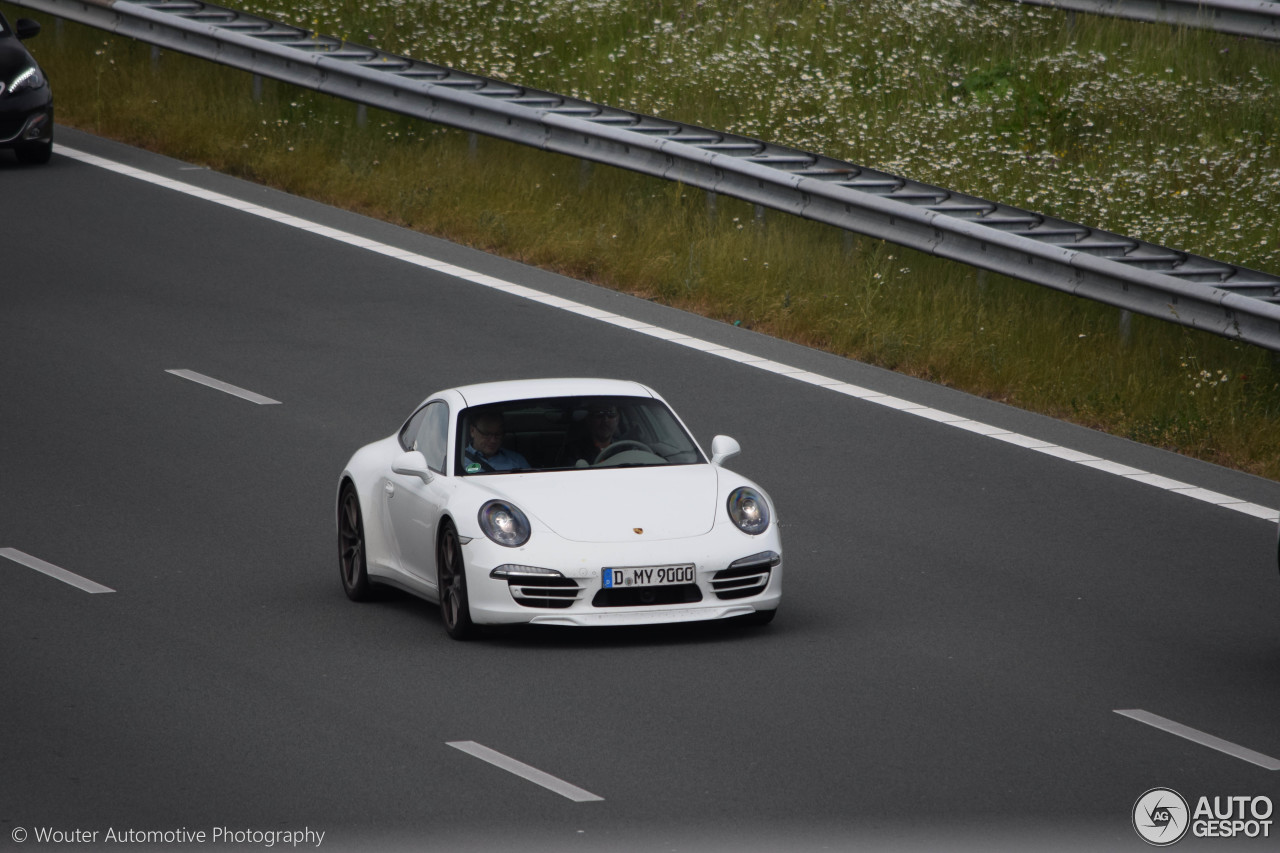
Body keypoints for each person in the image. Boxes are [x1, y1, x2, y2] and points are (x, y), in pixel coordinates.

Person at [463, 410, 529, 473]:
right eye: (486, 434)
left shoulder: (516, 460)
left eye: (498, 434)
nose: (493, 440)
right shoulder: (458, 460)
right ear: (472, 431)